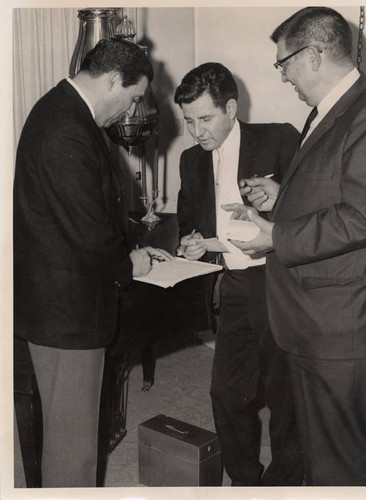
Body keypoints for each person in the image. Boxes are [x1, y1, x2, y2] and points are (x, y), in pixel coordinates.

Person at [227, 7, 366, 486]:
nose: (283, 77)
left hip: (345, 329)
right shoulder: (329, 113)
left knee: (346, 468)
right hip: (315, 322)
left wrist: (275, 235)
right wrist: (283, 197)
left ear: (317, 54)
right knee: (324, 460)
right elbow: (341, 194)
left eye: (285, 64)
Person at [13, 38, 172, 487]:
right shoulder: (67, 126)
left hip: (60, 305)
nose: (129, 112)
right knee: (73, 448)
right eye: (133, 97)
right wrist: (131, 263)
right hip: (66, 314)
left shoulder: (64, 112)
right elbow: (87, 229)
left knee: (70, 437)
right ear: (110, 81)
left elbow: (84, 208)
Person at [174, 62, 304, 486]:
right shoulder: (190, 161)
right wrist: (192, 242)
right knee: (227, 394)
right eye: (189, 121)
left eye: (205, 119)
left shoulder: (279, 137)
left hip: (279, 283)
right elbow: (190, 224)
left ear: (231, 108)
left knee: (286, 397)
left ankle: (283, 485)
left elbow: (313, 210)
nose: (197, 132)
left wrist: (275, 204)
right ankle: (246, 483)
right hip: (234, 286)